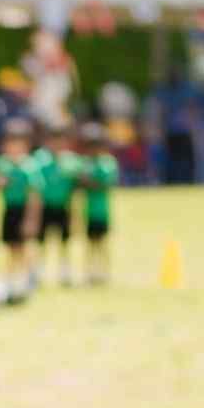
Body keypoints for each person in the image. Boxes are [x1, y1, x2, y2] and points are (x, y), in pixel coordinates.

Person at [0, 119, 43, 304]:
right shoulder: (3, 164)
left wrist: (31, 220)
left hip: (23, 212)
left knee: (22, 248)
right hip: (9, 211)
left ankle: (25, 280)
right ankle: (11, 282)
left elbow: (34, 196)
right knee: (10, 248)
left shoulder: (30, 167)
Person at [30, 124, 82, 286]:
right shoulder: (39, 159)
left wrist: (75, 212)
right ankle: (37, 274)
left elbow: (76, 187)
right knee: (40, 242)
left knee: (64, 242)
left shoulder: (71, 161)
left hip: (63, 206)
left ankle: (65, 273)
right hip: (44, 207)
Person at [76, 121, 120, 285]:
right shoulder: (85, 163)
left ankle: (104, 272)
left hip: (102, 212)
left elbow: (106, 184)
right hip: (88, 212)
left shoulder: (106, 163)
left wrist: (89, 182)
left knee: (102, 244)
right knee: (90, 244)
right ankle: (90, 272)